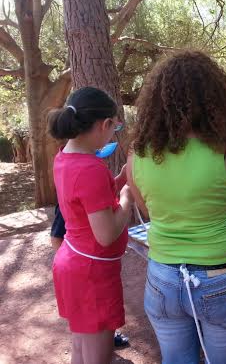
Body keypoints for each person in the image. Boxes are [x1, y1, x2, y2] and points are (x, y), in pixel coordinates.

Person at [125, 51, 226, 364]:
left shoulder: (138, 156)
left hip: (162, 277)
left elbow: (148, 213)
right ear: (216, 99)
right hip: (220, 279)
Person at [48, 87, 133, 364]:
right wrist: (126, 198)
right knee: (97, 357)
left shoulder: (64, 158)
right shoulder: (91, 169)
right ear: (104, 124)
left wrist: (118, 179)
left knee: (81, 348)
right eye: (115, 127)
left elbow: (85, 202)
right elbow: (107, 233)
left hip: (73, 263)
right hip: (92, 273)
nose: (114, 134)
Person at [50, 205, 130, 349]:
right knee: (87, 328)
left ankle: (104, 337)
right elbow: (56, 237)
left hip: (100, 266)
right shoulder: (74, 194)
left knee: (98, 323)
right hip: (81, 270)